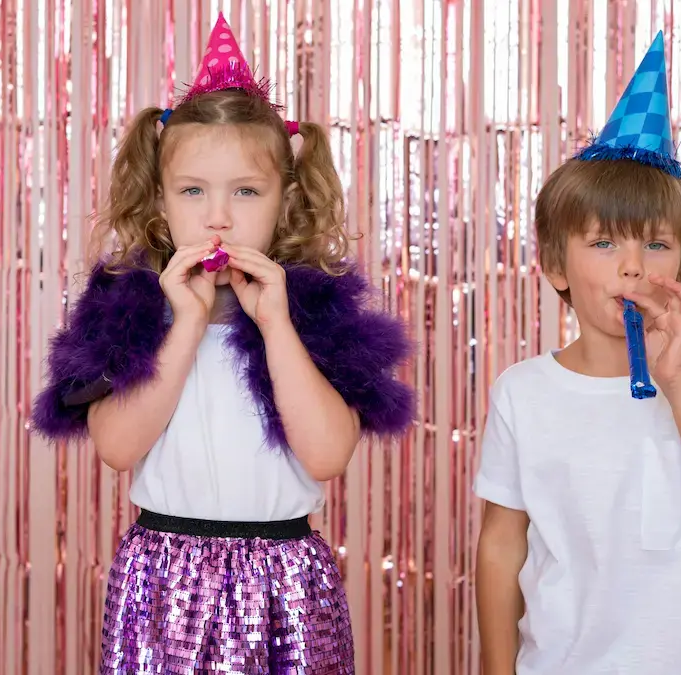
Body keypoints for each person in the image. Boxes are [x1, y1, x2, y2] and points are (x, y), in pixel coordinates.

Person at [31, 13, 417, 674]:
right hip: (164, 580)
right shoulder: (125, 307)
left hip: (285, 580)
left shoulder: (316, 313)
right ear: (160, 202)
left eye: (245, 191)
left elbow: (326, 455)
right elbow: (118, 446)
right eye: (193, 191)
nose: (219, 215)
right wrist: (183, 323)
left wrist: (276, 327)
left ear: (286, 201)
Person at [474, 32, 681, 675]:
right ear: (556, 265)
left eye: (657, 245)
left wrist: (678, 381)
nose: (633, 268)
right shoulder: (524, 391)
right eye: (605, 243)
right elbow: (501, 547)